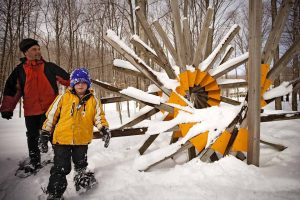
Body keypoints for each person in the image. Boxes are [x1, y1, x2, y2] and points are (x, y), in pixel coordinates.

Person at [0, 38, 70, 173]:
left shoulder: (49, 67)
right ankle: (34, 162)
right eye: (34, 49)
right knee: (32, 137)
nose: (38, 51)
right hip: (31, 111)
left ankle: (60, 159)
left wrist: (81, 81)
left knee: (54, 135)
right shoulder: (20, 71)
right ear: (26, 52)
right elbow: (12, 90)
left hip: (51, 110)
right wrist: (7, 108)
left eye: (38, 49)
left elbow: (68, 79)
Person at [40, 68, 111, 199]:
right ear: (72, 83)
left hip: (82, 139)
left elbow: (98, 116)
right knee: (61, 167)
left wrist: (104, 128)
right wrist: (45, 133)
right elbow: (51, 116)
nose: (80, 85)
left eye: (83, 82)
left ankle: (81, 180)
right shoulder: (63, 98)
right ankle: (55, 193)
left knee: (81, 163)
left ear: (88, 84)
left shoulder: (93, 100)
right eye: (77, 82)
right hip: (62, 139)